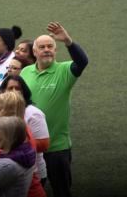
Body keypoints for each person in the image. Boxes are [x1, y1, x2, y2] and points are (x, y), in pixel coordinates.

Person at [20, 22, 89, 197]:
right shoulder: (25, 72)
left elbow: (82, 62)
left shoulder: (65, 70)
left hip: (57, 148)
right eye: (41, 47)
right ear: (34, 52)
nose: (46, 50)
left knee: (62, 191)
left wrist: (68, 41)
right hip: (31, 147)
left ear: (55, 50)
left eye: (50, 46)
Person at [0, 76, 50, 188]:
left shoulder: (33, 115)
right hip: (10, 173)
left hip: (30, 177)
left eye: (18, 88)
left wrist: (4, 147)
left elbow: (44, 145)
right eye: (10, 88)